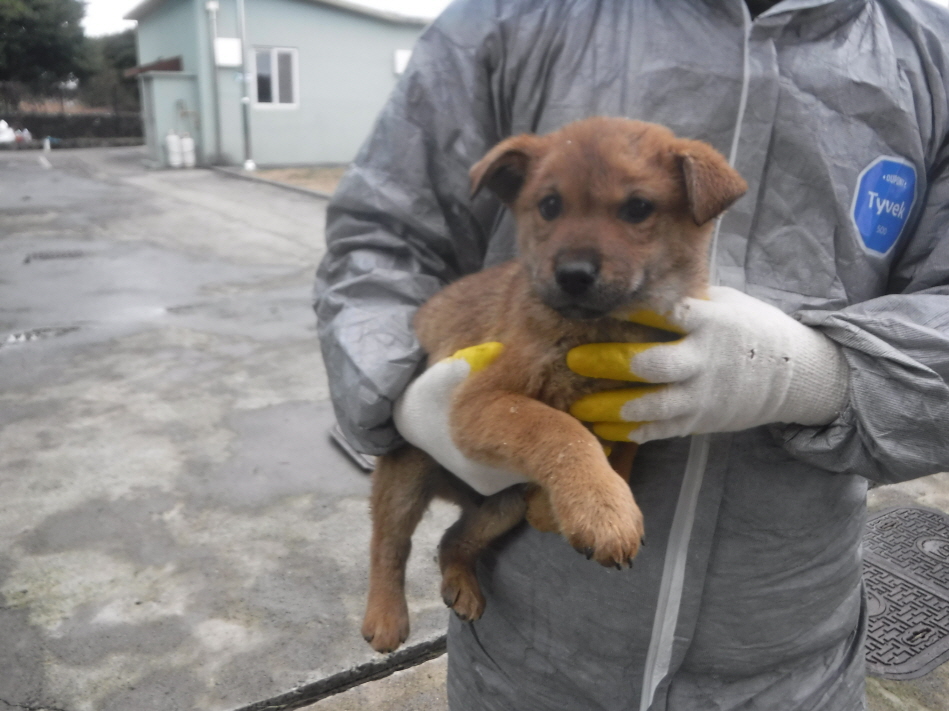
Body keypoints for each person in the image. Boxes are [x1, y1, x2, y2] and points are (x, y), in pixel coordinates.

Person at [313, 1, 949, 709]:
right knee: (421, 481)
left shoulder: (929, 55)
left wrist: (819, 378)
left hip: (787, 660)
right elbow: (378, 236)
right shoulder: (511, 17)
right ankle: (421, 559)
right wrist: (397, 391)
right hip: (528, 654)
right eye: (552, 207)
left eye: (635, 209)